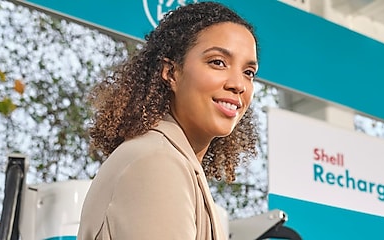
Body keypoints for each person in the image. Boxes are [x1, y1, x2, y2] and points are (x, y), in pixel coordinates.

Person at [77, 2, 259, 239]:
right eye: (218, 62)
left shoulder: (173, 161)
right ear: (171, 72)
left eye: (249, 72)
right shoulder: (156, 161)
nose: (238, 84)